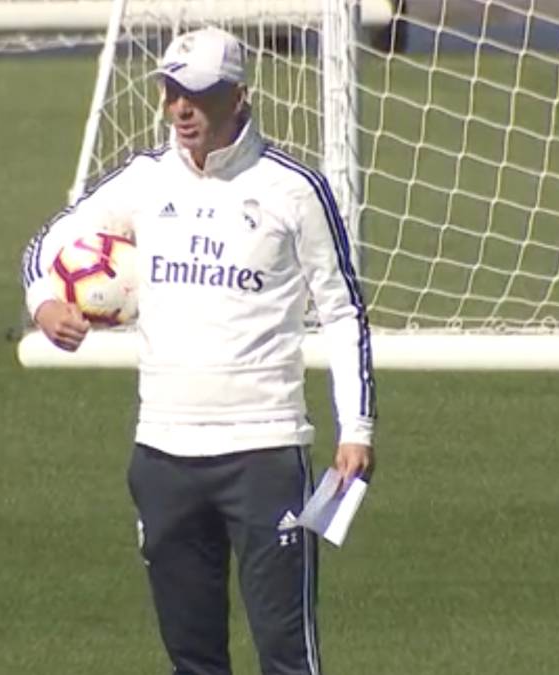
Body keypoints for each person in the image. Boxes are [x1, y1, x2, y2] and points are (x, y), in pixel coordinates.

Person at [20, 26, 376, 675]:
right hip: (163, 458)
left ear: (238, 96)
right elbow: (47, 241)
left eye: (197, 94)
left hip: (265, 456)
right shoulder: (144, 181)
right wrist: (45, 302)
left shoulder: (294, 190)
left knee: (288, 656)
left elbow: (346, 311)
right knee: (193, 659)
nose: (180, 109)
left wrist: (357, 427)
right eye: (171, 91)